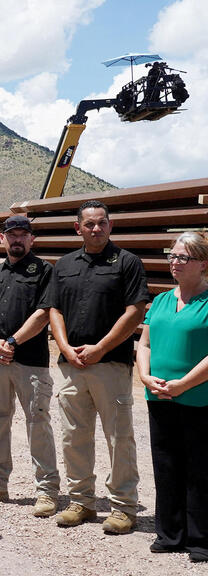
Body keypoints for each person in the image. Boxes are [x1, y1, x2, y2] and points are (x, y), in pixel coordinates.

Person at [42, 199, 148, 534]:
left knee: (119, 438)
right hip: (72, 365)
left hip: (111, 365)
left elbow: (136, 310)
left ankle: (123, 507)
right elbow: (53, 309)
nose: (96, 228)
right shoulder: (64, 264)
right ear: (78, 228)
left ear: (110, 225)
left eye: (102, 222)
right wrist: (63, 347)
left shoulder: (127, 263)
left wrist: (101, 348)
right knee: (75, 436)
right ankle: (81, 502)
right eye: (89, 224)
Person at [0, 215, 60, 517]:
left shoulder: (44, 271)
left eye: (23, 234)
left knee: (38, 425)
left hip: (30, 362)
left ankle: (46, 492)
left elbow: (44, 312)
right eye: (12, 235)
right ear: (2, 239)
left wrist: (13, 342)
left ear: (32, 240)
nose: (17, 239)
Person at [135, 231, 208, 563]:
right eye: (172, 256)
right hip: (159, 396)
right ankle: (169, 534)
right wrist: (144, 375)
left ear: (203, 263)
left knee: (199, 467)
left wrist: (184, 384)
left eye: (183, 258)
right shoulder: (161, 300)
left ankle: (201, 539)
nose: (175, 262)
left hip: (198, 397)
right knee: (165, 464)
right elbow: (145, 344)